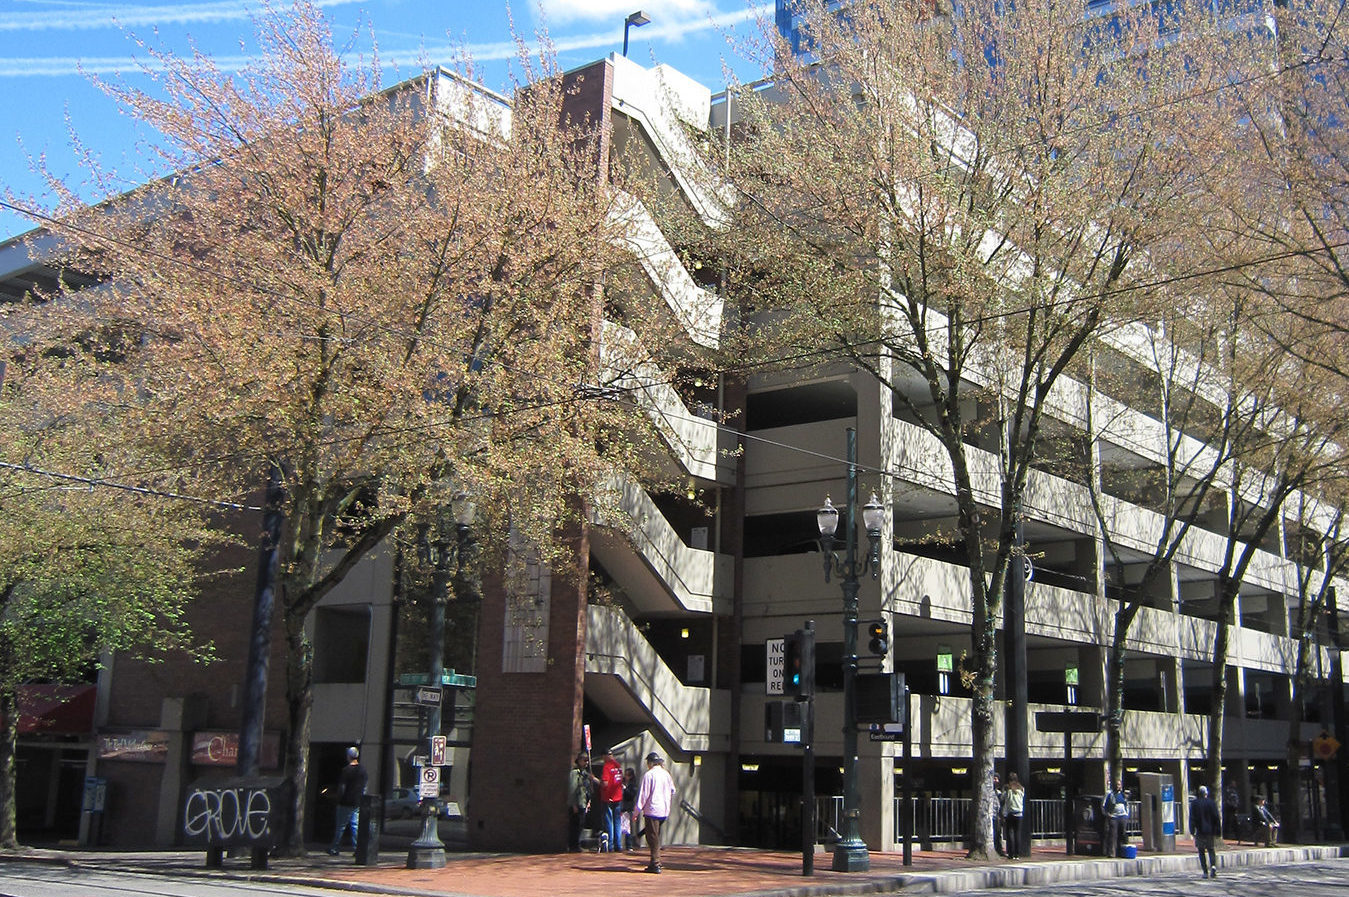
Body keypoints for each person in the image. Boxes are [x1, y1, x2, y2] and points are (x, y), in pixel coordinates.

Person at [636, 751, 676, 874]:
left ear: (650, 763)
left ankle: (655, 863)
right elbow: (673, 790)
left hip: (652, 809)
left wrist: (637, 810)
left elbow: (644, 794)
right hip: (664, 810)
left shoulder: (649, 775)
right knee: (654, 834)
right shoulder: (666, 774)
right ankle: (655, 861)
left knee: (652, 837)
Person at [327, 746, 367, 855]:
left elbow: (342, 787)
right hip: (357, 801)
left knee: (340, 826)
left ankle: (334, 848)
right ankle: (358, 849)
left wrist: (337, 798)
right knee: (355, 825)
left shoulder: (346, 770)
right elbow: (364, 787)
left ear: (348, 756)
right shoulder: (363, 770)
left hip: (345, 801)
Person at [1190, 785, 1222, 878]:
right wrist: (1218, 831)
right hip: (1210, 831)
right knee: (1211, 849)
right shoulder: (1211, 803)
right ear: (1206, 793)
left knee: (1201, 851)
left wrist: (1192, 830)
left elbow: (1192, 818)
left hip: (1200, 830)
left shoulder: (1194, 804)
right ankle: (1213, 866)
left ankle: (1205, 871)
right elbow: (1216, 817)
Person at [599, 747, 625, 852]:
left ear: (604, 756)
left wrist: (595, 780)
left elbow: (605, 783)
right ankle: (618, 845)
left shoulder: (607, 766)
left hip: (608, 798)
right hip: (618, 797)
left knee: (609, 821)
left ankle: (610, 845)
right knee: (617, 822)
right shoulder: (618, 766)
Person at [567, 751, 594, 852]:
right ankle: (573, 846)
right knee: (575, 826)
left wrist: (588, 801)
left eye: (587, 761)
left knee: (580, 825)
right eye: (584, 760)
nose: (586, 763)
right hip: (577, 804)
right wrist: (573, 804)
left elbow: (587, 789)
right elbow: (572, 789)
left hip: (583, 803)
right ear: (579, 761)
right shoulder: (575, 773)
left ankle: (577, 844)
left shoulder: (585, 774)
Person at [1104, 778, 1130, 858]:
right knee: (1113, 835)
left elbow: (1127, 804)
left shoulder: (1123, 794)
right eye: (1117, 785)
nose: (1118, 786)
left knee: (1122, 834)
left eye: (1119, 785)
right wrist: (1108, 814)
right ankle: (1112, 853)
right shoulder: (1110, 794)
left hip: (1123, 817)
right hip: (1114, 817)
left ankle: (1121, 852)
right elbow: (1104, 805)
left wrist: (1126, 814)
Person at [1002, 773, 1025, 859]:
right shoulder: (1021, 789)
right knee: (1017, 833)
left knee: (1010, 833)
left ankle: (1011, 853)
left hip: (1010, 813)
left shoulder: (1008, 789)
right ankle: (1017, 854)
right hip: (1019, 813)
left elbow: (1004, 799)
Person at [621, 767, 639, 851]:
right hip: (622, 807)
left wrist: (625, 789)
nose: (625, 777)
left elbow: (631, 795)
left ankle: (629, 845)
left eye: (627, 775)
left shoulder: (633, 785)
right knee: (621, 826)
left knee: (628, 828)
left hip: (628, 808)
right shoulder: (622, 782)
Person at [991, 773, 1005, 857]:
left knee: (998, 833)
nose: (996, 781)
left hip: (997, 815)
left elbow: (1001, 804)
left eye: (997, 779)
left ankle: (999, 849)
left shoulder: (998, 792)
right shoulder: (988, 792)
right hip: (991, 815)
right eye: (994, 778)